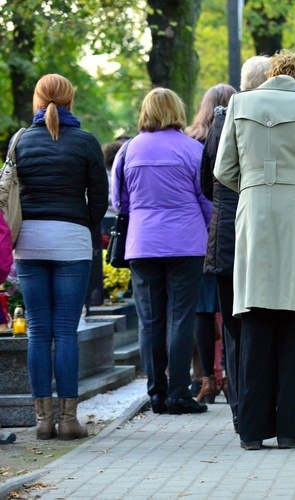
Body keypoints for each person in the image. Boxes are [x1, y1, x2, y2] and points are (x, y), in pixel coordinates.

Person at [215, 49, 295, 450]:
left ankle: (252, 430)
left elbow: (223, 170)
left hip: (253, 212)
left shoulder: (239, 102)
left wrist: (253, 187)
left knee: (255, 316)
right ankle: (293, 428)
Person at [14, 74, 109, 440]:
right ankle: (69, 421)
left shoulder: (20, 141)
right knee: (66, 331)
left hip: (31, 241)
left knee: (38, 332)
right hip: (71, 241)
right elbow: (99, 197)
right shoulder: (85, 142)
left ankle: (42, 421)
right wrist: (81, 224)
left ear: (37, 101)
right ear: (71, 100)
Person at [112, 88, 212, 416]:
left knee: (149, 319)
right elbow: (206, 199)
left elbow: (119, 202)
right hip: (186, 242)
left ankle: (156, 393)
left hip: (143, 243)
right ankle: (179, 393)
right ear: (177, 111)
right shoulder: (192, 149)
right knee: (181, 318)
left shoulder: (128, 150)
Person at [202, 56, 271, 432]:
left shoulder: (219, 121)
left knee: (232, 329)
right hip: (257, 235)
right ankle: (259, 407)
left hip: (225, 237)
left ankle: (241, 408)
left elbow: (206, 181)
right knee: (259, 324)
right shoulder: (265, 117)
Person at [186, 83, 236, 404]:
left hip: (198, 236)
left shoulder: (190, 140)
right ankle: (231, 376)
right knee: (230, 308)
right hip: (227, 230)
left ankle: (206, 379)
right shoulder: (233, 134)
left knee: (203, 311)